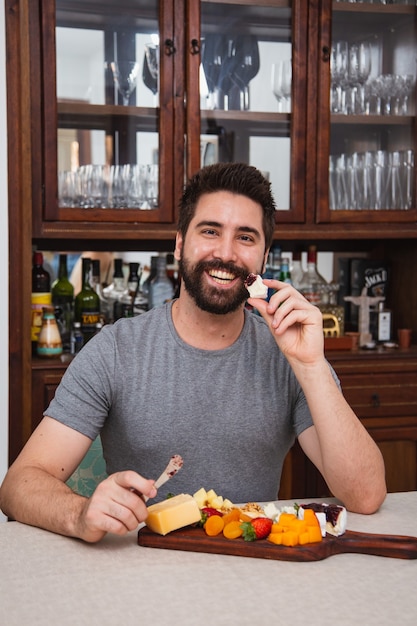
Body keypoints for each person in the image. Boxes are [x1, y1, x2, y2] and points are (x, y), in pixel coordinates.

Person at [0, 162, 386, 543]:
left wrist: (311, 364)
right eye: (211, 231)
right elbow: (19, 484)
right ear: (180, 243)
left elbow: (366, 496)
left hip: (254, 572)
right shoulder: (115, 350)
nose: (226, 252)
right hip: (140, 572)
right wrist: (80, 514)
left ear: (264, 259)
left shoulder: (290, 355)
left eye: (246, 237)